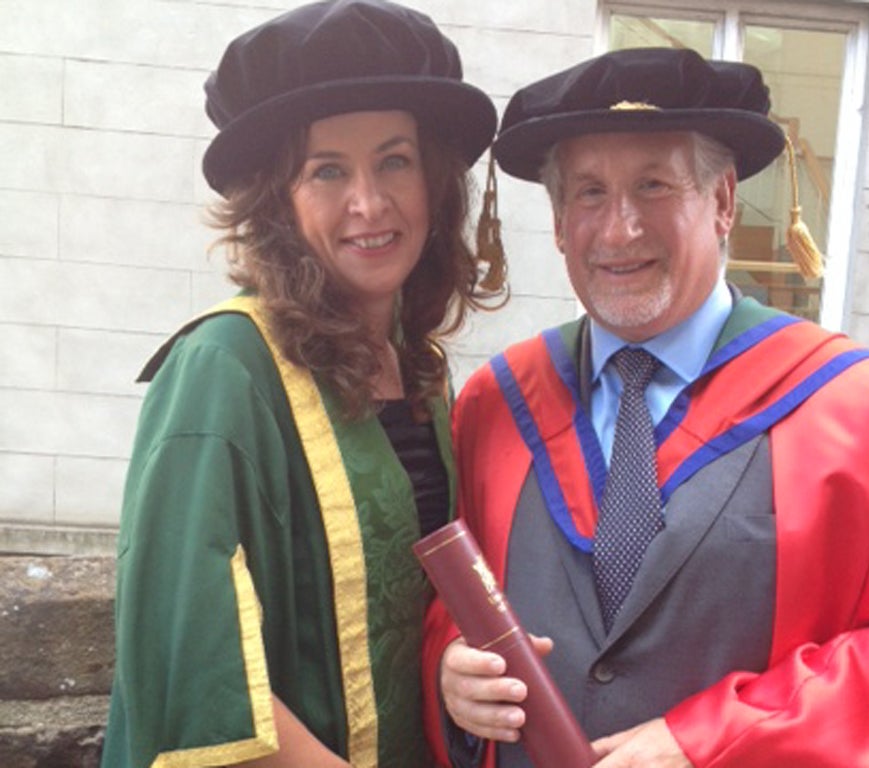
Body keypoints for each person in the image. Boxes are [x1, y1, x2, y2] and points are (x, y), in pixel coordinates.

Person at [423, 47, 869, 767]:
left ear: (724, 201)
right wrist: (451, 672)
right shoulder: (495, 406)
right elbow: (456, 608)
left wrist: (712, 742)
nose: (618, 229)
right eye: (589, 194)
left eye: (654, 185)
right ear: (557, 220)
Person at [101, 1, 502, 766]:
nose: (369, 204)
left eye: (395, 160)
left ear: (435, 182)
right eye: (326, 170)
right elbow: (193, 654)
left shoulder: (422, 370)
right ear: (277, 201)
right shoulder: (223, 365)